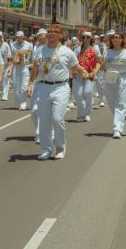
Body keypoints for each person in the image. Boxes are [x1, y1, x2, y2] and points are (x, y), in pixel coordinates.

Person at [27, 24, 87, 160]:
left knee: (57, 118)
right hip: (43, 87)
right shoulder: (40, 51)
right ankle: (46, 149)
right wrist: (30, 84)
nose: (51, 34)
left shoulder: (67, 51)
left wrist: (83, 72)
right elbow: (35, 69)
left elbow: (75, 67)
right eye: (49, 32)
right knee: (44, 120)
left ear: (61, 35)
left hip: (61, 87)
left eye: (55, 32)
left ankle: (60, 147)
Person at [104, 31, 126, 138]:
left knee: (120, 103)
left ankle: (117, 129)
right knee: (111, 102)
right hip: (110, 77)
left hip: (124, 77)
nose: (116, 39)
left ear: (122, 40)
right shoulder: (107, 52)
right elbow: (101, 63)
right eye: (114, 38)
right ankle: (119, 118)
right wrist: (93, 73)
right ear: (111, 40)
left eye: (119, 38)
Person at [73, 32, 100, 122]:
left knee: (88, 92)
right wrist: (77, 72)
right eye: (83, 37)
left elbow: (99, 61)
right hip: (79, 74)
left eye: (87, 37)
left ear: (90, 38)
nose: (85, 39)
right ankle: (81, 114)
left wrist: (94, 72)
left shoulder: (95, 49)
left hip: (90, 75)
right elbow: (73, 62)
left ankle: (87, 113)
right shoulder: (77, 49)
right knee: (79, 95)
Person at [11, 31, 34, 110]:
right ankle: (18, 102)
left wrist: (31, 66)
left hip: (25, 67)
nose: (18, 39)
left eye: (19, 37)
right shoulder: (12, 45)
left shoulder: (29, 45)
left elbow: (31, 58)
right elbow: (10, 57)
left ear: (23, 37)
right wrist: (14, 61)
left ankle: (23, 103)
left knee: (24, 86)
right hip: (16, 67)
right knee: (16, 85)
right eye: (16, 37)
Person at [0, 31, 13, 101]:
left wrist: (10, 68)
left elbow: (9, 57)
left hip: (5, 65)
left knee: (5, 81)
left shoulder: (6, 45)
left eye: (0, 37)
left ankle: (5, 95)